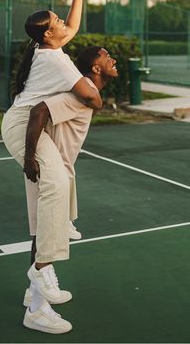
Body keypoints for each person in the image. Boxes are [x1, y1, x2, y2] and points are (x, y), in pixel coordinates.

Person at [1, 0, 102, 334]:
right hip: (22, 128)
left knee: (52, 195)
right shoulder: (56, 61)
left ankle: (36, 294)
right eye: (57, 21)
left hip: (32, 128)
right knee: (56, 183)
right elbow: (89, 95)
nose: (64, 24)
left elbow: (73, 27)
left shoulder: (51, 51)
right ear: (47, 35)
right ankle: (40, 274)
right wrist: (29, 157)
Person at [22, 46, 118, 313]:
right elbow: (39, 111)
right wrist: (30, 159)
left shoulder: (88, 92)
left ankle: (33, 295)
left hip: (60, 170)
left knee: (45, 233)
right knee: (47, 237)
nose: (113, 59)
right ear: (96, 68)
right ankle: (38, 309)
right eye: (106, 56)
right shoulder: (83, 91)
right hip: (48, 171)